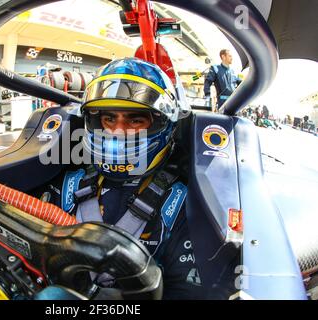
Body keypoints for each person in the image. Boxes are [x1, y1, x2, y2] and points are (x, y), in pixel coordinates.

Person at [35, 58, 234, 299]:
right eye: (109, 119)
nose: (118, 132)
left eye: (135, 120)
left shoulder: (181, 206)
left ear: (162, 123)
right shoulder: (68, 185)